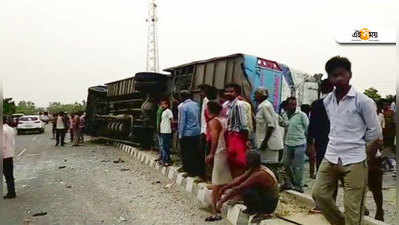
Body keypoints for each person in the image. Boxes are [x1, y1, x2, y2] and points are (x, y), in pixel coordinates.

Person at [312, 56, 382, 225]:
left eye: (341, 74)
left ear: (349, 74)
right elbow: (336, 126)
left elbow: (375, 133)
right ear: (329, 78)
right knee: (318, 194)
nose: (338, 79)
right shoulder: (327, 101)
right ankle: (339, 223)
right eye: (334, 76)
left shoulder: (363, 101)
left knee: (353, 208)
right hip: (331, 156)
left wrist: (367, 157)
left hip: (355, 159)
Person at [216, 151, 279, 224]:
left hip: (269, 204)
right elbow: (240, 179)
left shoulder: (260, 174)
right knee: (246, 189)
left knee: (247, 191)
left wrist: (222, 201)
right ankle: (252, 208)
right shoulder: (255, 168)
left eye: (246, 159)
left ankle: (260, 212)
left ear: (250, 162)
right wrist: (224, 187)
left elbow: (240, 187)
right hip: (265, 196)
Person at [204, 101, 232, 222]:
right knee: (223, 181)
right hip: (226, 151)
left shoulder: (213, 122)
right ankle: (219, 206)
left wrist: (211, 153)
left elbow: (214, 139)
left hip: (219, 152)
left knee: (216, 182)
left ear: (208, 110)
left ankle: (214, 211)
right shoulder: (224, 119)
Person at [307, 79, 334, 179]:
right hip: (335, 140)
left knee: (321, 161)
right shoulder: (337, 103)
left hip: (320, 140)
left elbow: (312, 125)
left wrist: (310, 142)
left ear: (321, 89)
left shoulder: (316, 104)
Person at [281, 97, 309, 193]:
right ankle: (289, 183)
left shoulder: (301, 115)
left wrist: (307, 142)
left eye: (294, 104)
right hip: (288, 143)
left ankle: (298, 185)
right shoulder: (284, 115)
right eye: (291, 104)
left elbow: (307, 128)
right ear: (287, 105)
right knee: (285, 164)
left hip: (299, 144)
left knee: (298, 166)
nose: (293, 106)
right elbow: (284, 126)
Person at [223, 83, 249, 178]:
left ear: (237, 93)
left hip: (237, 135)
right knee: (230, 160)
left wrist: (245, 140)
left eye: (231, 91)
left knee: (239, 161)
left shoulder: (239, 105)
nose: (228, 93)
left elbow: (244, 125)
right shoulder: (225, 105)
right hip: (229, 135)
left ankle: (239, 182)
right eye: (226, 91)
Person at [178, 90, 204, 178]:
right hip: (196, 131)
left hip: (187, 133)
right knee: (195, 152)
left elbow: (182, 122)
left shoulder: (183, 107)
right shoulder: (196, 104)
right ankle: (196, 171)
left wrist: (180, 135)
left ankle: (189, 171)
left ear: (183, 97)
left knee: (187, 153)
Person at [254, 88, 283, 163]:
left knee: (269, 167)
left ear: (262, 96)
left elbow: (271, 125)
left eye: (256, 94)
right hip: (265, 143)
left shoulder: (265, 106)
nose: (254, 96)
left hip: (269, 145)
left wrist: (264, 142)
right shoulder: (263, 105)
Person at [3, 117, 17, 199]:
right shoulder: (10, 129)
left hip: (3, 156)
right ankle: (12, 192)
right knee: (9, 175)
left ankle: (11, 193)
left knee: (7, 176)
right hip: (9, 154)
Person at [159, 99, 174, 166]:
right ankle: (167, 160)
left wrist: (172, 128)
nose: (162, 105)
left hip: (167, 131)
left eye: (164, 104)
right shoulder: (163, 112)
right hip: (163, 131)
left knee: (166, 146)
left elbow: (171, 120)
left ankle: (165, 161)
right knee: (165, 146)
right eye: (162, 104)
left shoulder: (169, 111)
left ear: (167, 105)